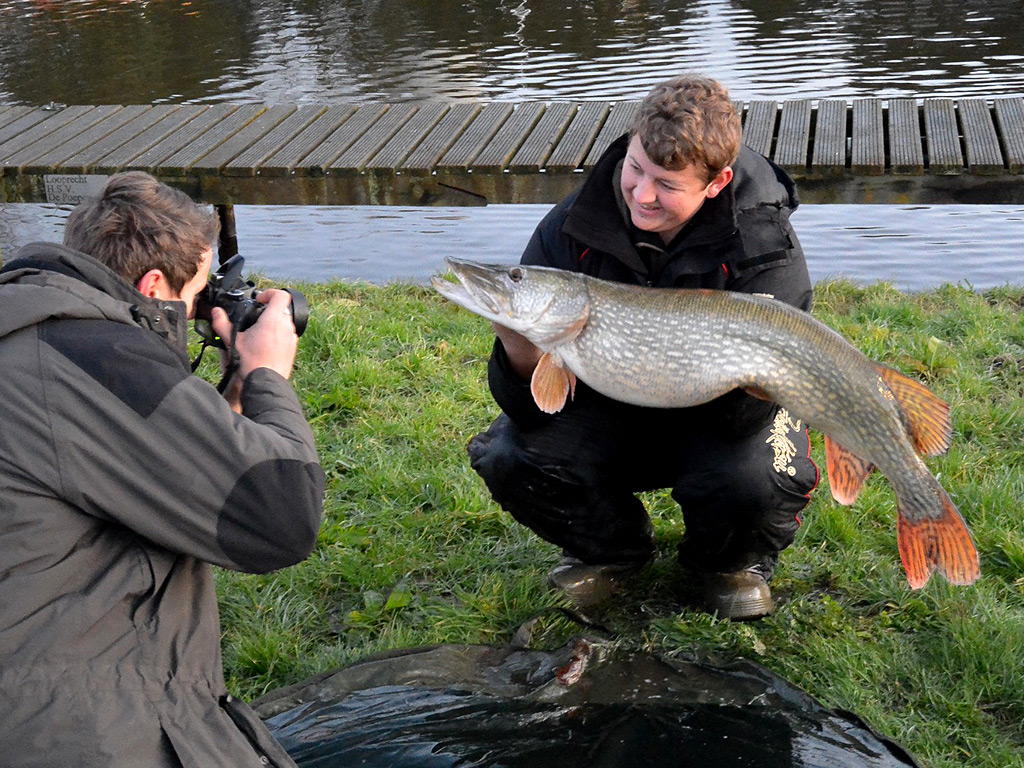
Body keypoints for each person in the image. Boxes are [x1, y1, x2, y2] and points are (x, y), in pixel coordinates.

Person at [0, 172, 325, 766]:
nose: (199, 310)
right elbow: (280, 515)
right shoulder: (97, 361)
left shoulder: (31, 328)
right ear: (153, 286)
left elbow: (175, 468)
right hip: (65, 722)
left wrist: (229, 386)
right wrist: (268, 376)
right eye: (198, 293)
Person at [467, 75, 820, 620]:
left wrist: (745, 381)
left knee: (754, 476)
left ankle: (725, 565)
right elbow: (528, 409)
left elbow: (743, 423)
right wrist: (518, 348)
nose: (642, 193)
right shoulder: (571, 227)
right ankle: (612, 551)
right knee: (510, 456)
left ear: (716, 182)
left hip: (720, 422)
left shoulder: (765, 248)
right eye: (636, 169)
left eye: (667, 184)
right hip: (609, 408)